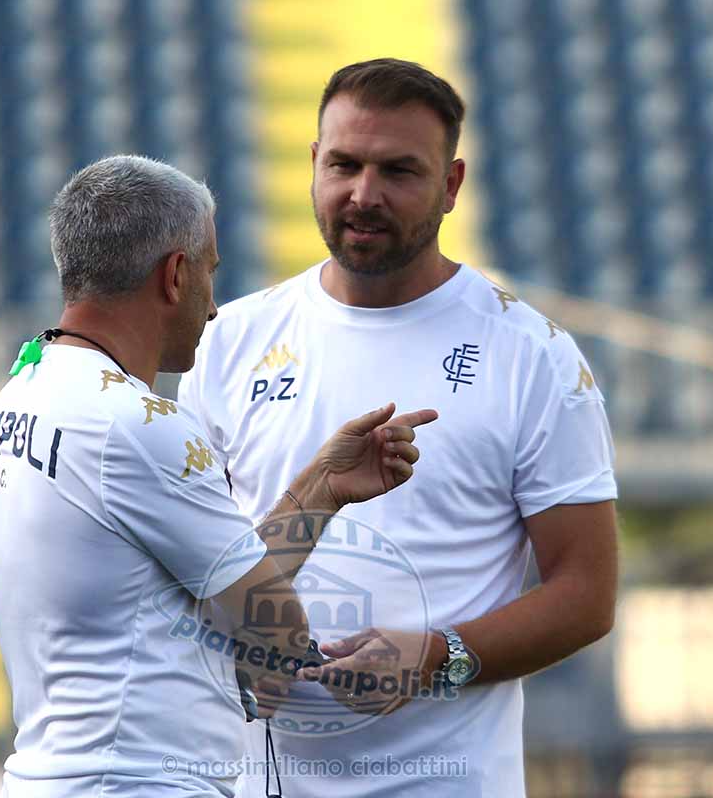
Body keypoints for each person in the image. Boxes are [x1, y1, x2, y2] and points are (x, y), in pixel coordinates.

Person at [179, 59, 619, 797]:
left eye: (399, 171)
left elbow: (586, 593)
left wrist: (436, 657)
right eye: (344, 164)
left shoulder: (531, 355)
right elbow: (190, 567)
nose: (364, 194)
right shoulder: (229, 341)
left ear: (451, 185)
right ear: (313, 164)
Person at [0, 154, 437, 798]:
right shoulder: (139, 423)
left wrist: (322, 486)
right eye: (210, 273)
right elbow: (273, 629)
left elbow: (217, 585)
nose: (214, 307)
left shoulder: (22, 394)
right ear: (174, 275)